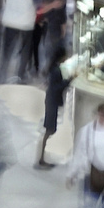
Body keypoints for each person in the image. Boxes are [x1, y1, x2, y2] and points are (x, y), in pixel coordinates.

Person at [34, 42, 72, 170]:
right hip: (52, 101)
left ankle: (42, 156)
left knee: (50, 128)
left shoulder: (54, 68)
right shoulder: (56, 70)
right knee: (50, 129)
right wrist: (68, 81)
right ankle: (41, 158)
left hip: (51, 100)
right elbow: (57, 88)